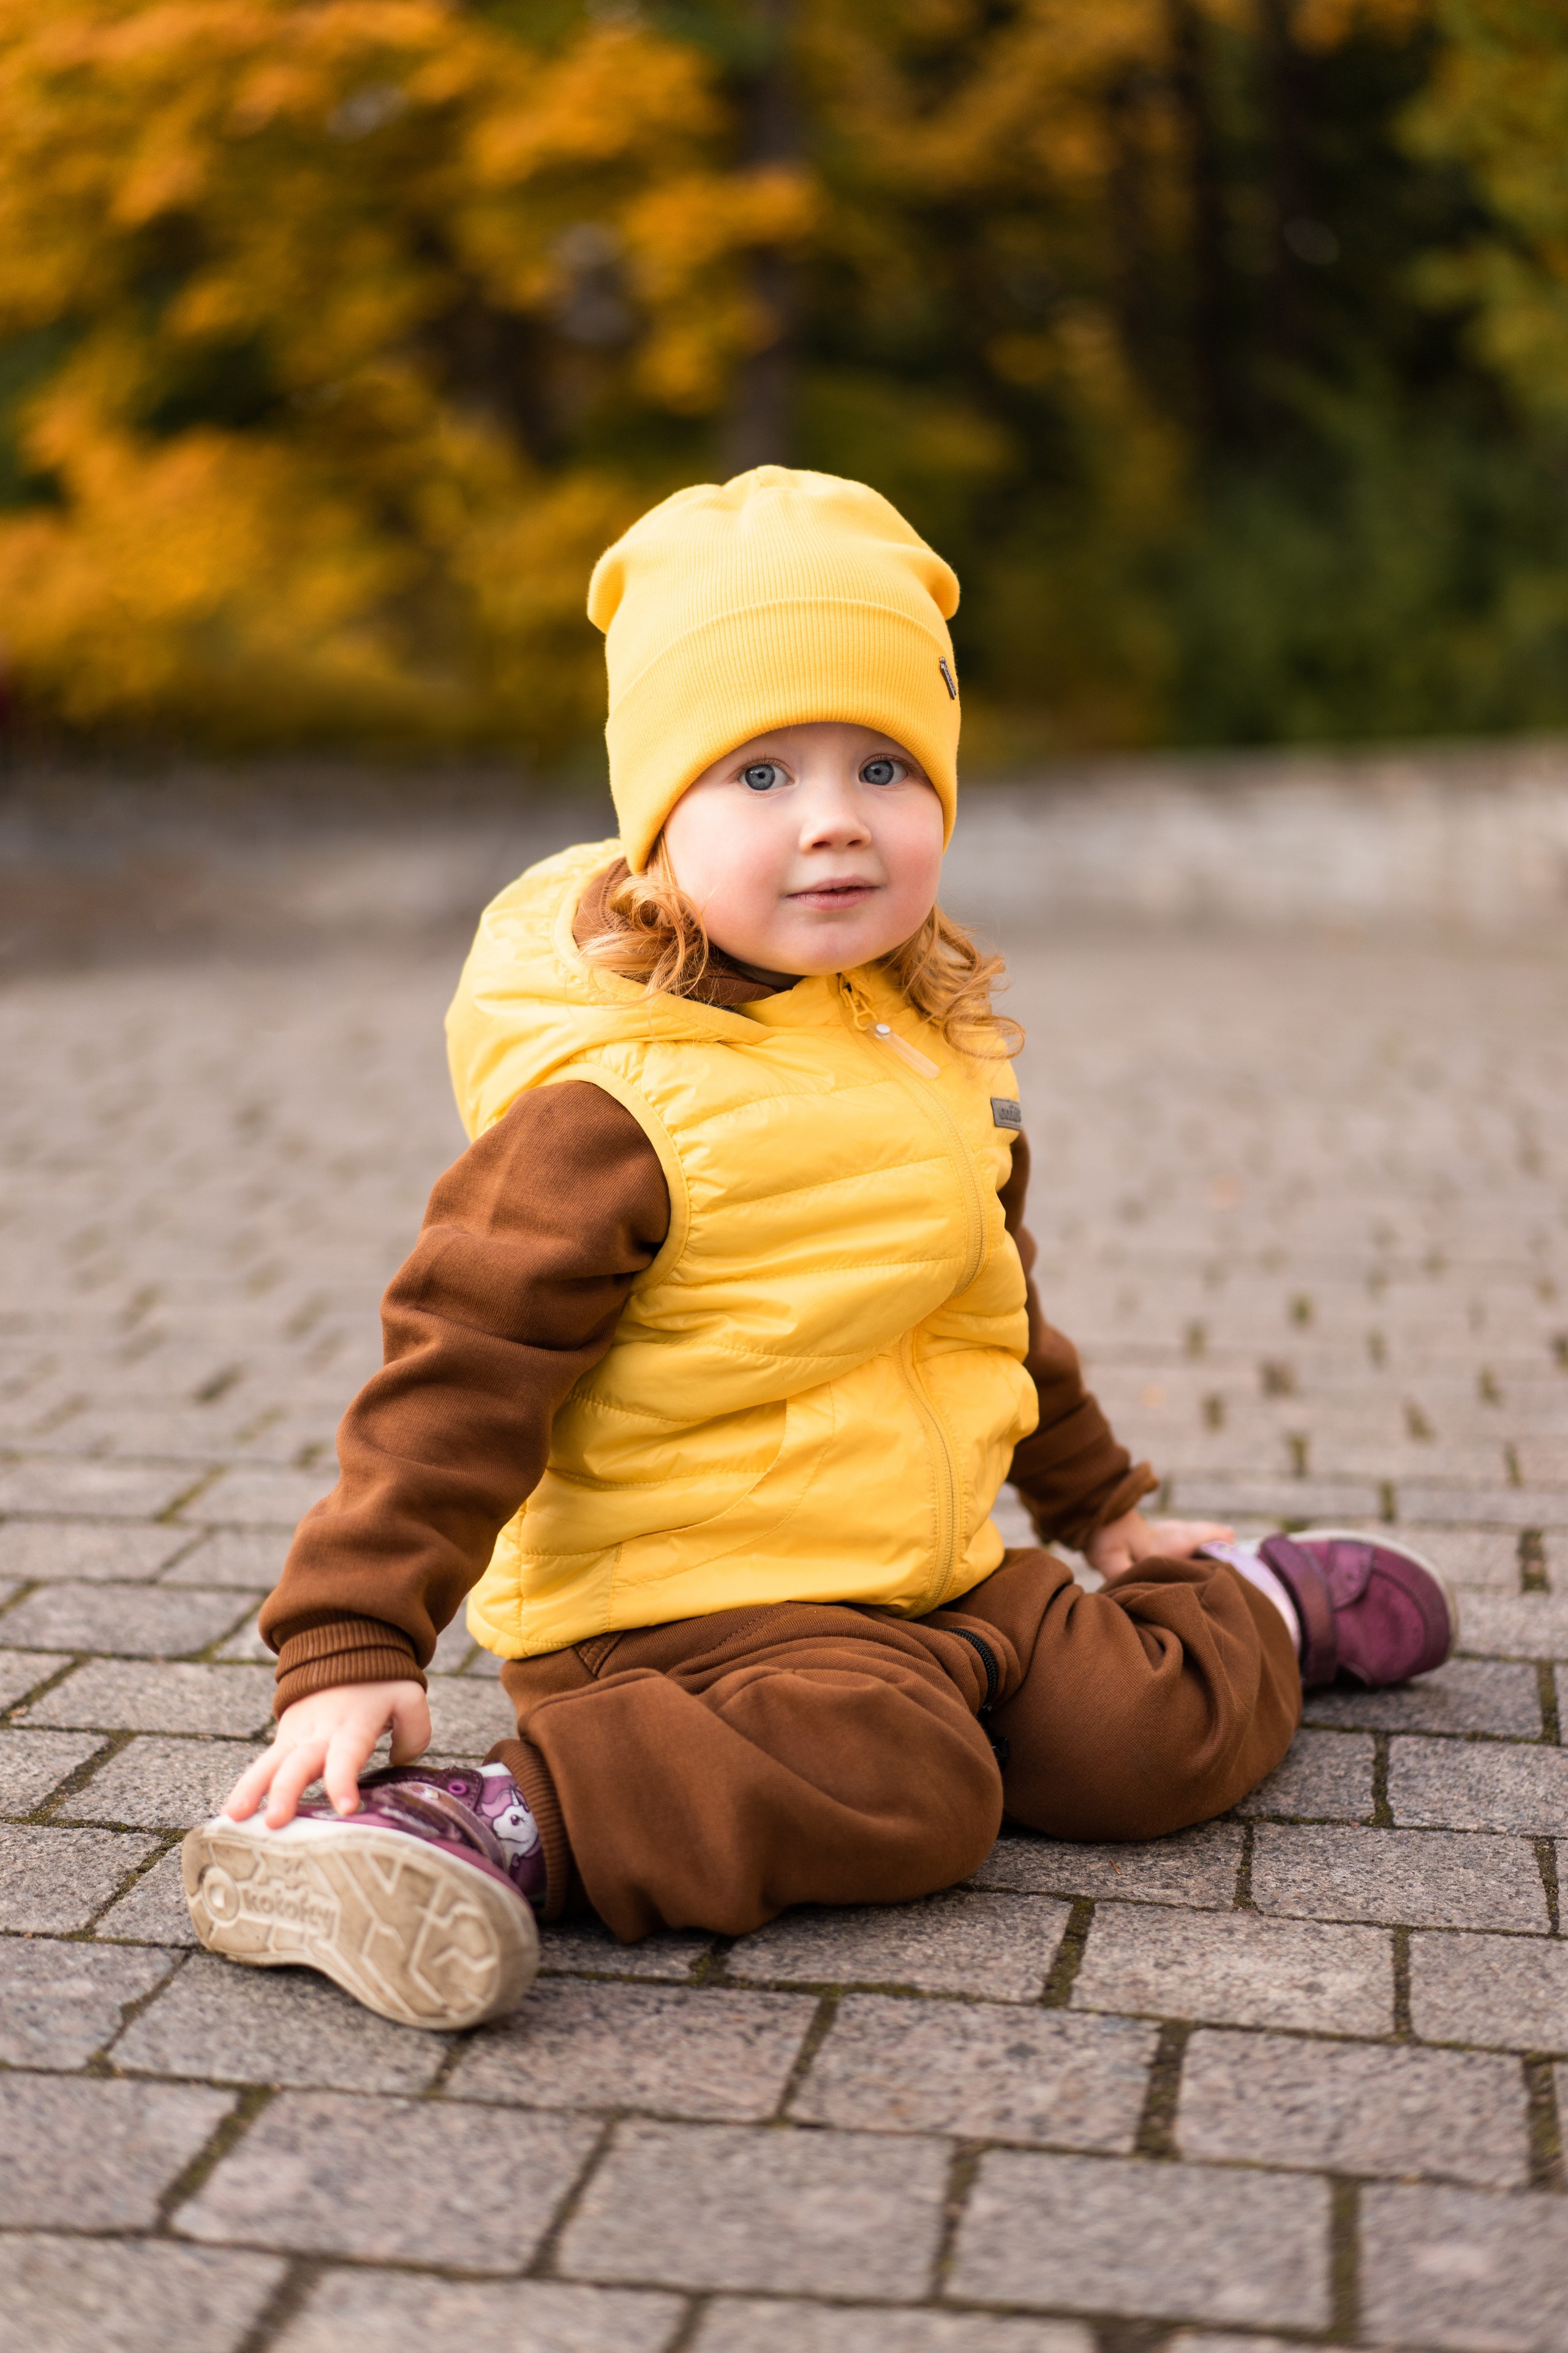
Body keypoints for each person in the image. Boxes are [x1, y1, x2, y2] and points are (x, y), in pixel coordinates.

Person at [183, 468, 1458, 2031]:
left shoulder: (936, 1049)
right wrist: (351, 1639)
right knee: (910, 1792)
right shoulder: (611, 1102)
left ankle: (1253, 1602)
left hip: (927, 1573)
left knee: (1143, 1748)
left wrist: (1102, 1510)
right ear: (657, 821)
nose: (837, 818)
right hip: (682, 1625)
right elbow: (457, 1375)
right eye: (760, 774)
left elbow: (993, 1316)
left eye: (881, 766)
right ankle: (481, 1825)